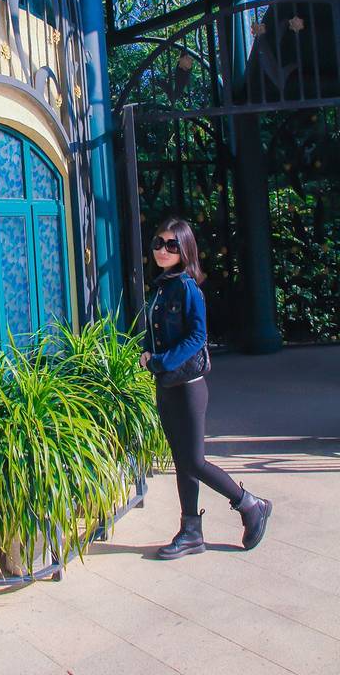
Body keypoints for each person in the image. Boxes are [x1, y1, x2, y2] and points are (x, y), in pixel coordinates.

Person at [139, 217, 272, 559]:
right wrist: (146, 354)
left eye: (171, 245)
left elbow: (197, 337)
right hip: (166, 386)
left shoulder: (187, 288)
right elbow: (155, 331)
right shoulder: (161, 287)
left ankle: (250, 504)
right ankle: (190, 531)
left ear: (185, 249)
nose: (163, 250)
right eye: (158, 243)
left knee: (194, 461)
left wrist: (161, 360)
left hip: (188, 386)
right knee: (182, 461)